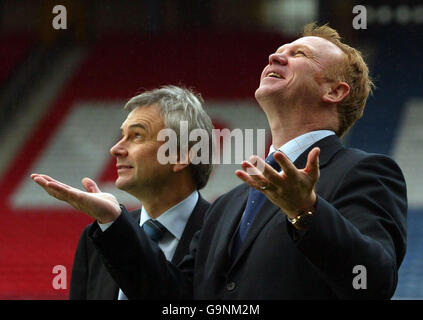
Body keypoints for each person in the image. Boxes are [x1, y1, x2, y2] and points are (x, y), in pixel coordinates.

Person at [32, 23, 407, 299]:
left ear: (334, 91)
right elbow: (176, 299)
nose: (277, 55)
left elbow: (373, 281)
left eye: (299, 54)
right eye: (279, 50)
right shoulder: (228, 206)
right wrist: (114, 222)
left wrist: (305, 211)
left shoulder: (364, 172)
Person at [34, 86, 214, 299]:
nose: (115, 149)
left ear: (180, 155)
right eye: (123, 135)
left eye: (137, 135)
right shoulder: (97, 237)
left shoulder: (222, 235)